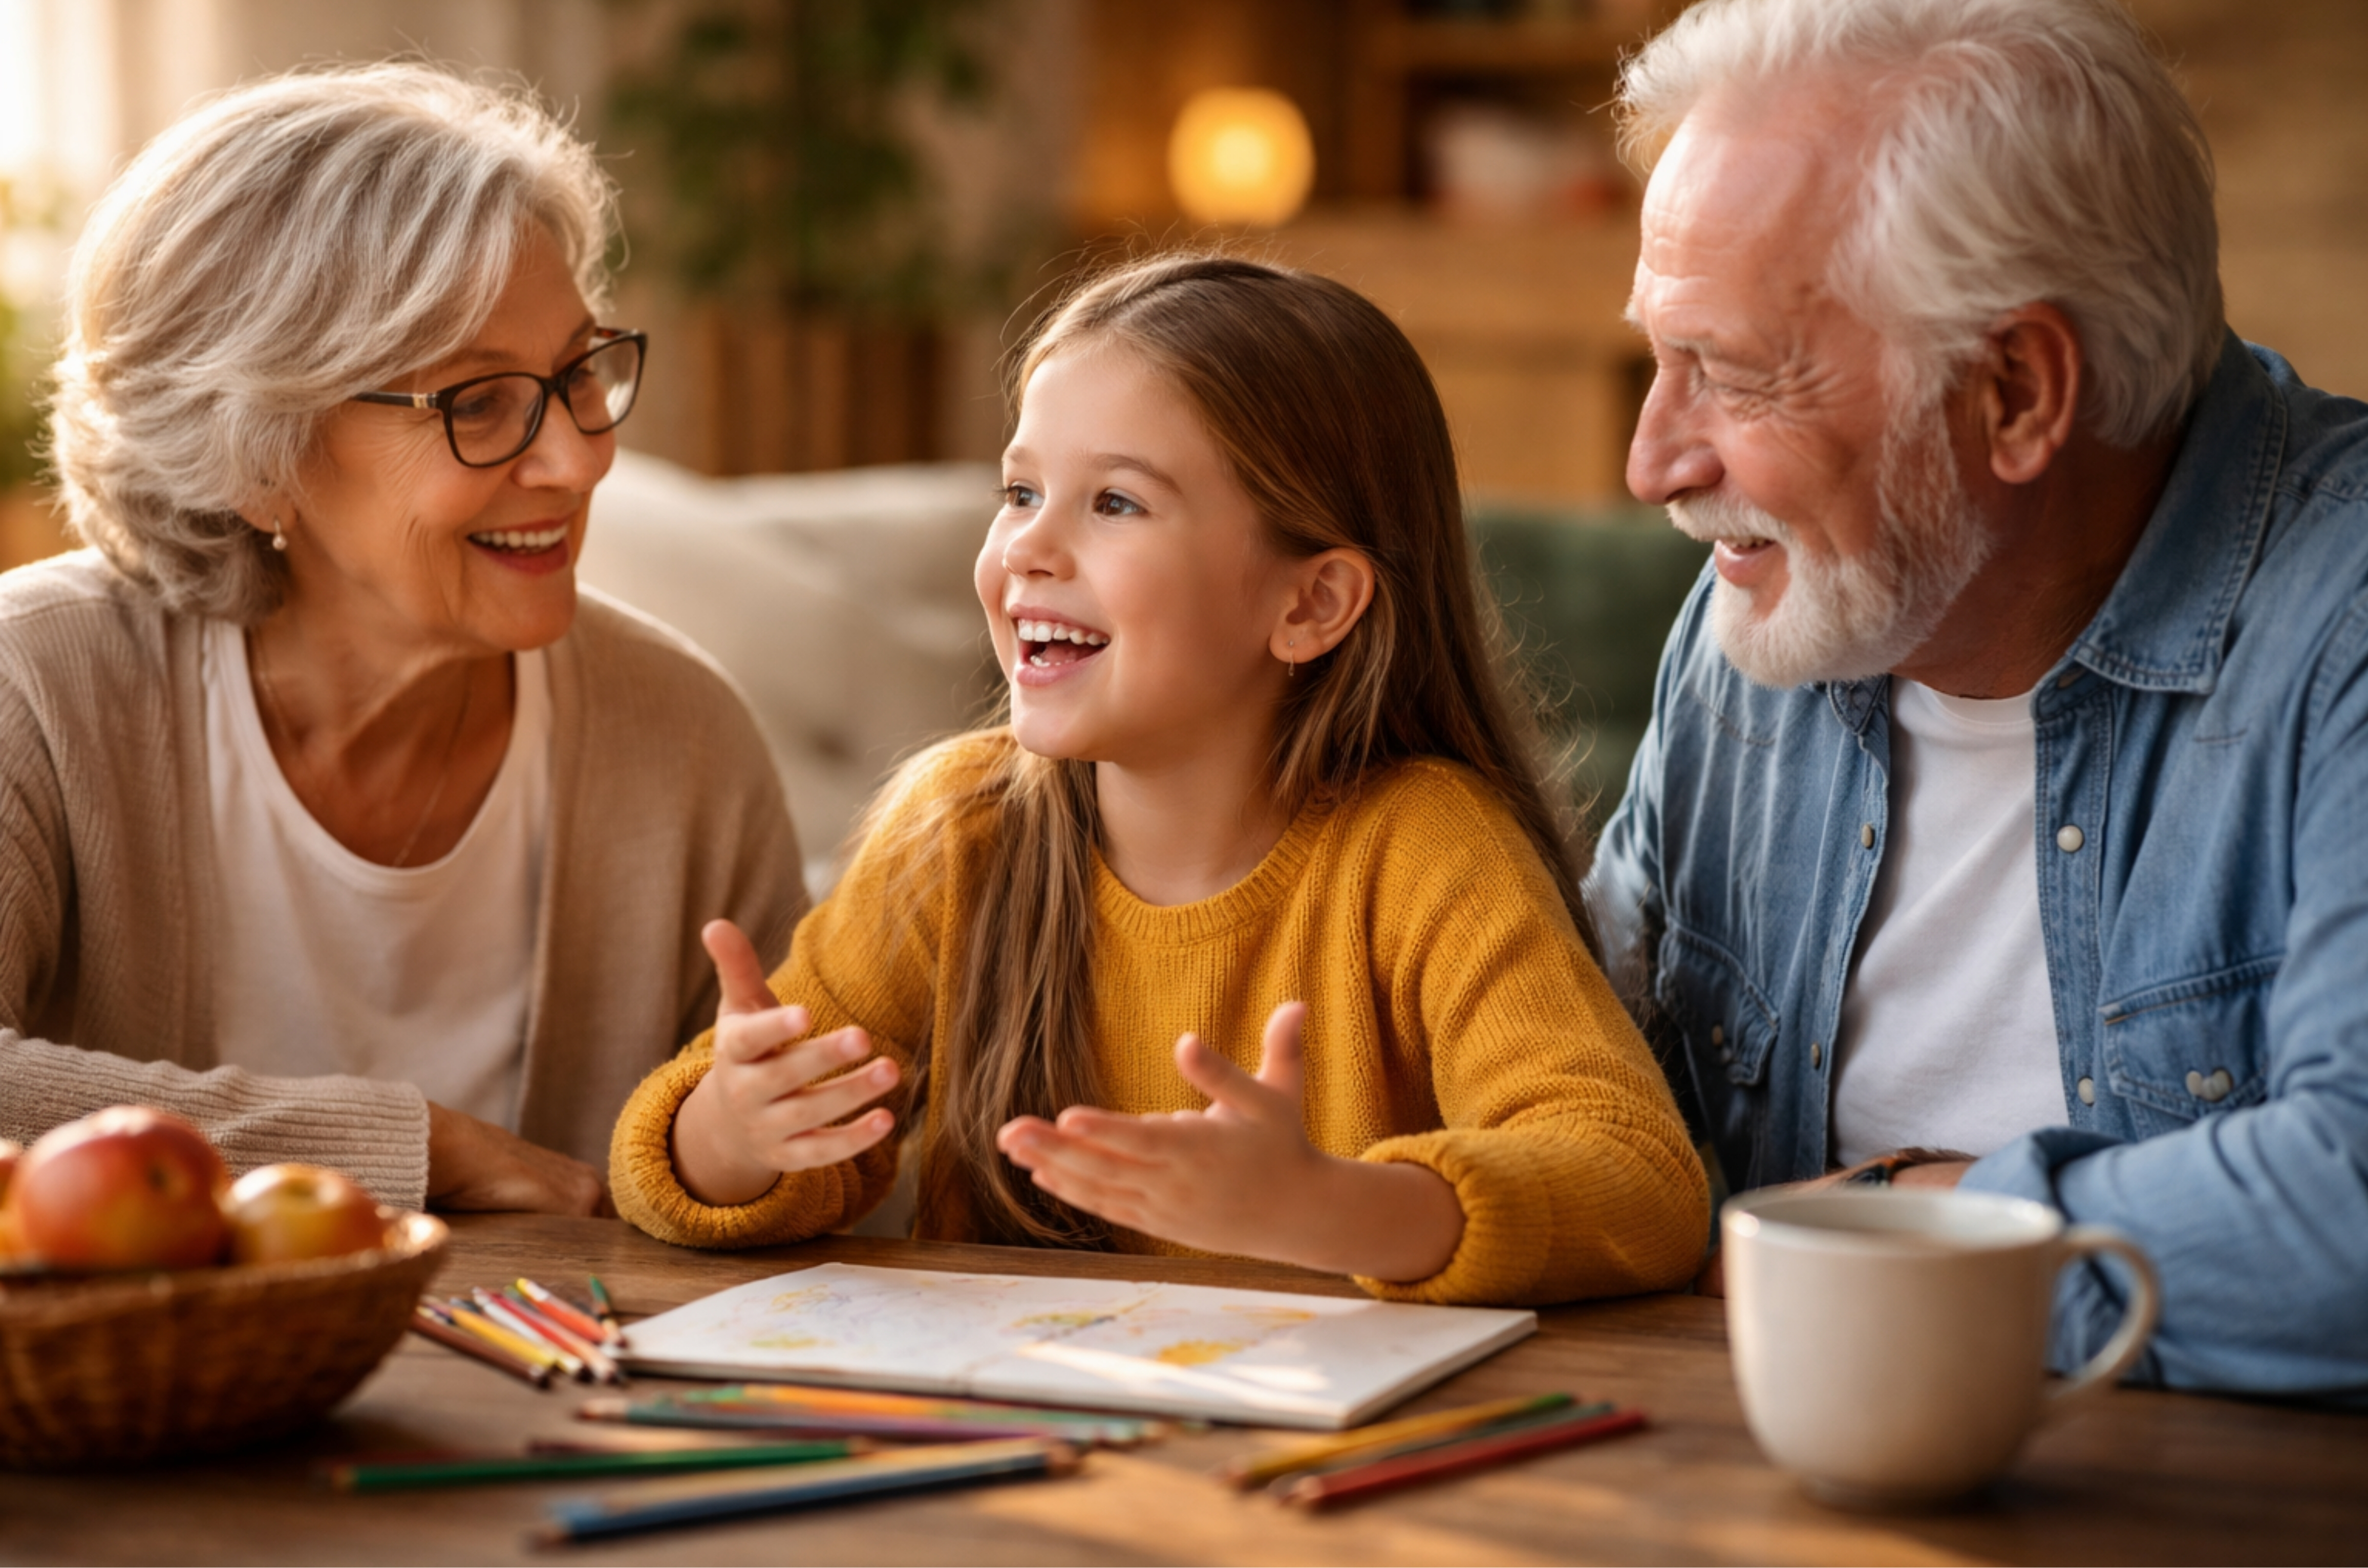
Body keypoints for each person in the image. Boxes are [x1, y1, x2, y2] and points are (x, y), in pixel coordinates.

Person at [611, 255, 1708, 1305]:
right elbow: (695, 1168)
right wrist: (734, 1131)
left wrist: (1332, 1208)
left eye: (1116, 503)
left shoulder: (1425, 847)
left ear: (1311, 604)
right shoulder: (958, 831)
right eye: (1021, 489)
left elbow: (1638, 1183)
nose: (1030, 547)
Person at [1589, 0, 2368, 1397]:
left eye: (1734, 373)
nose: (1652, 463)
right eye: (1660, 359)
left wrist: (1934, 1220)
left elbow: (2349, 1213)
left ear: (2014, 390)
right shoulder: (1757, 624)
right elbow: (1569, 1082)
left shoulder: (2344, 626)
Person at [0, 66, 805, 1215]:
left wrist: (760, 1151)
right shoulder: (37, 681)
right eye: (475, 402)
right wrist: (408, 1145)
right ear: (257, 458)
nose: (578, 460)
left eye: (577, 372)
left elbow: (799, 1180)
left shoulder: (679, 736)